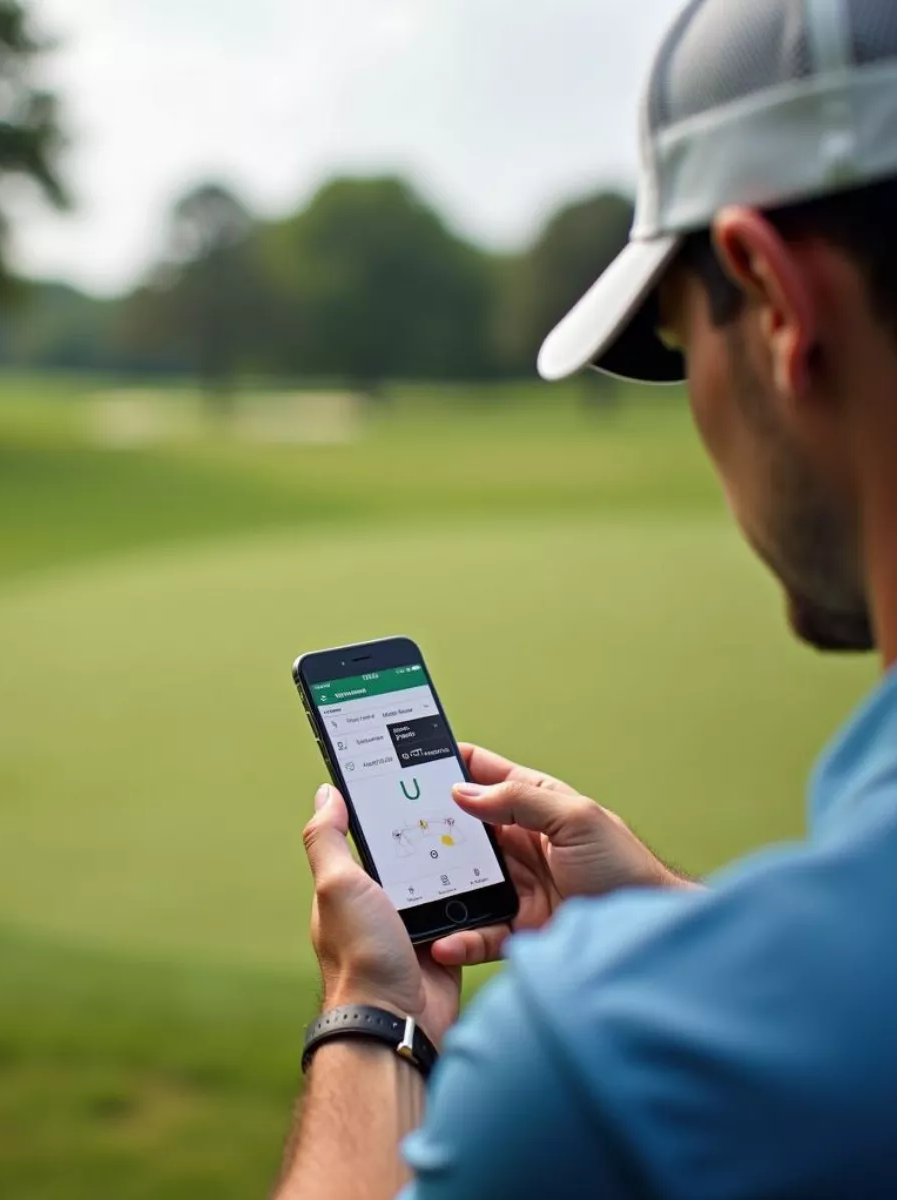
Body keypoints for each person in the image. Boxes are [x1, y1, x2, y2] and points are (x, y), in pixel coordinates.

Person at [275, 1, 897, 1196]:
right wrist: (675, 919)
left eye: (677, 341)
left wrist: (371, 1012)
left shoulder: (613, 1068)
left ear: (775, 305)